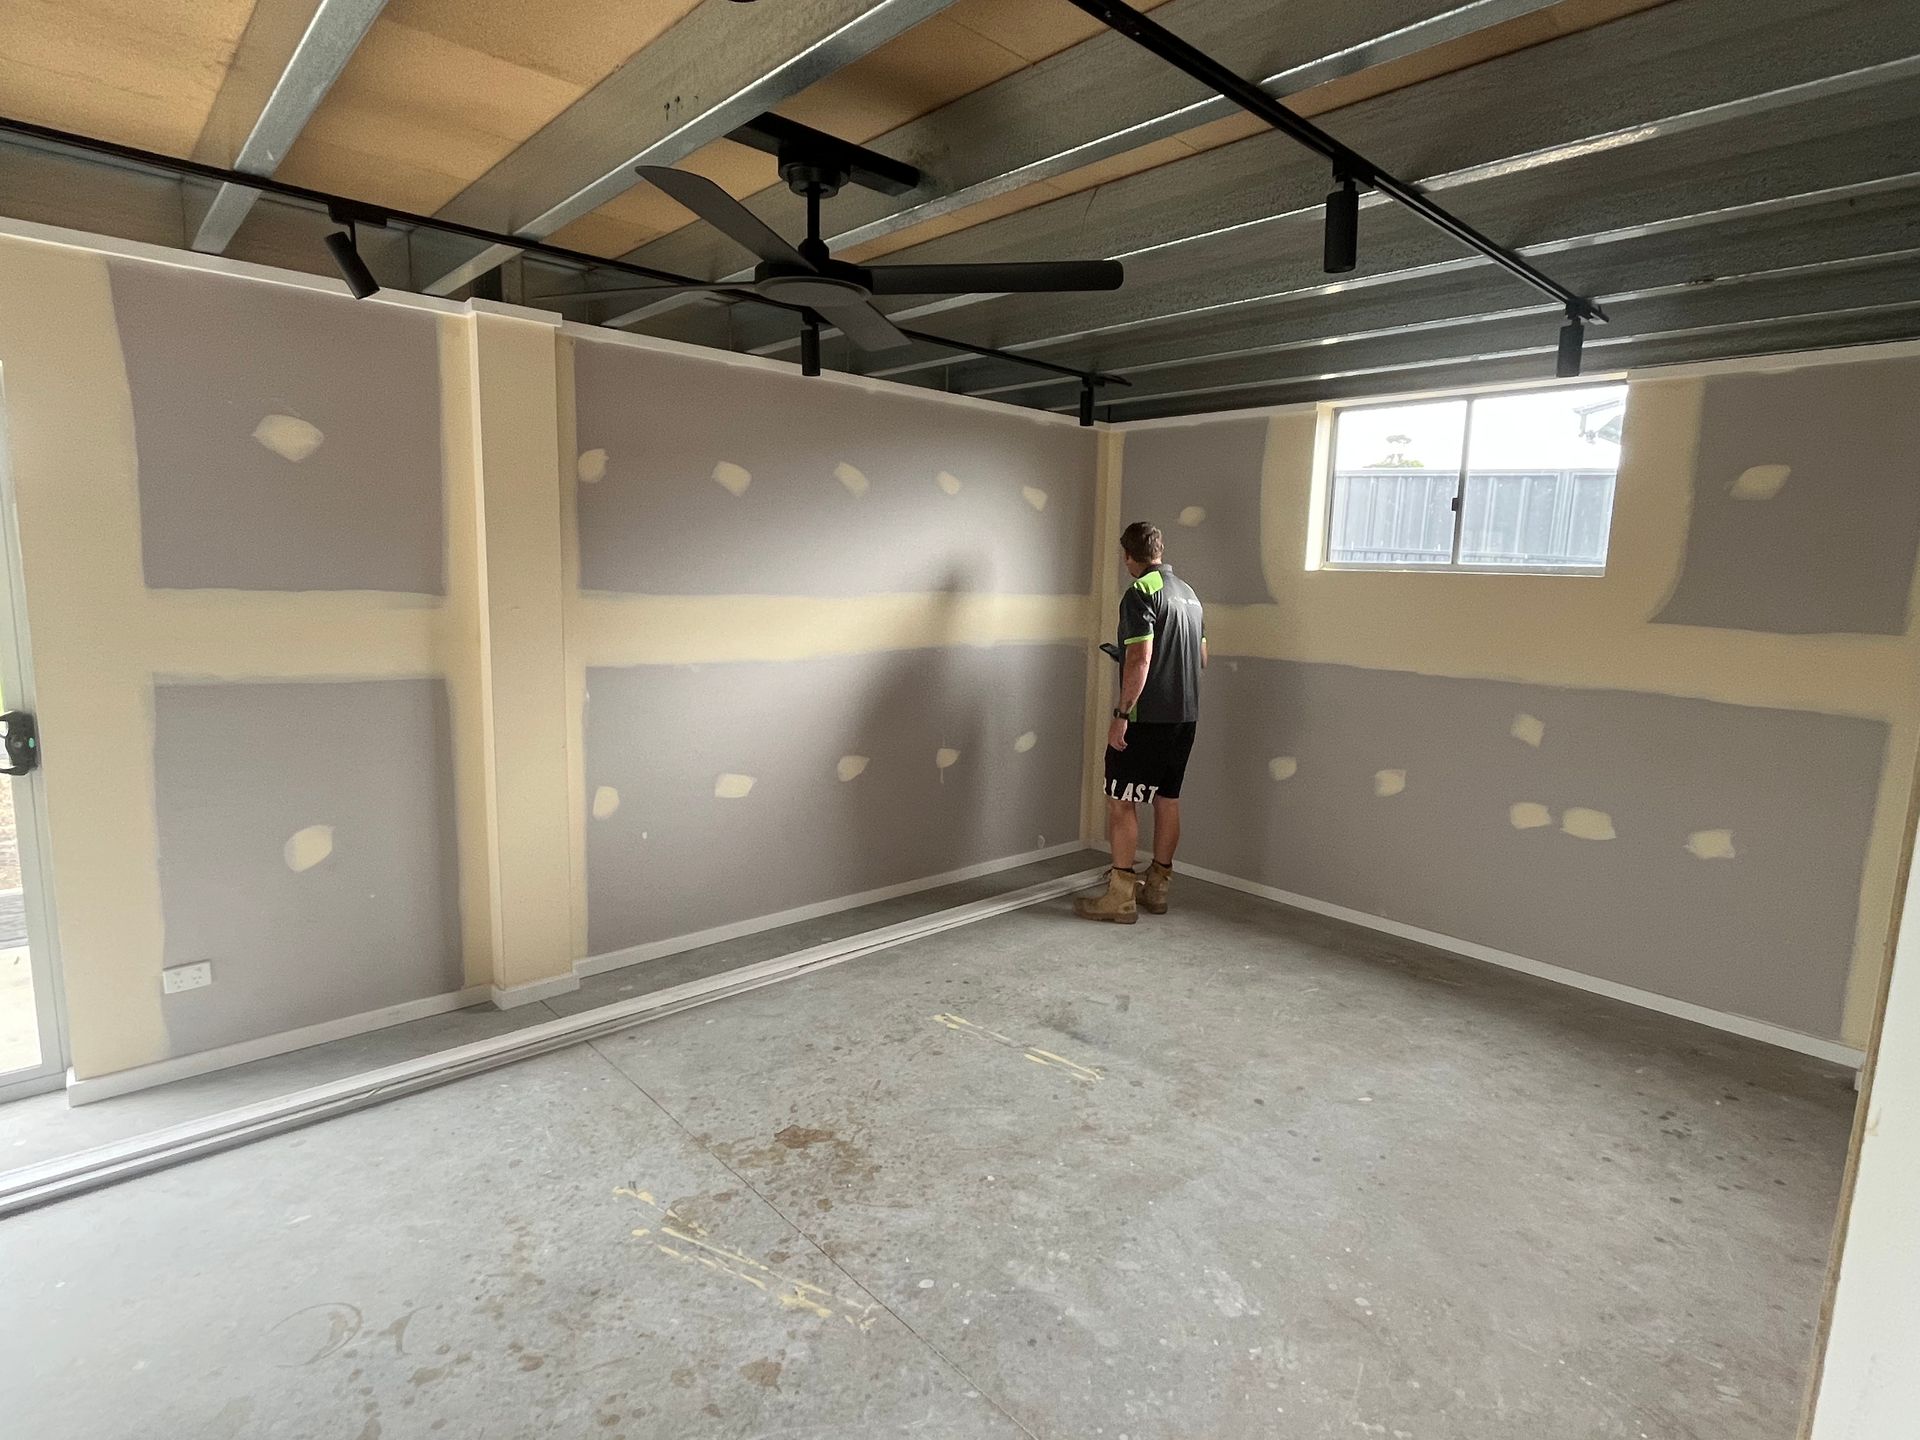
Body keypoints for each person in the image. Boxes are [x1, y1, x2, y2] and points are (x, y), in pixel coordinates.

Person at [1075, 520, 1206, 924]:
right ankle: (1159, 888)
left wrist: (1121, 714)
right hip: (1185, 716)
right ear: (1160, 550)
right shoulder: (1189, 595)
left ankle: (1121, 896)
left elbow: (1142, 658)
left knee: (1121, 800)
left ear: (1129, 556)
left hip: (1147, 717)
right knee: (1167, 799)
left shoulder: (1139, 593)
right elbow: (1201, 659)